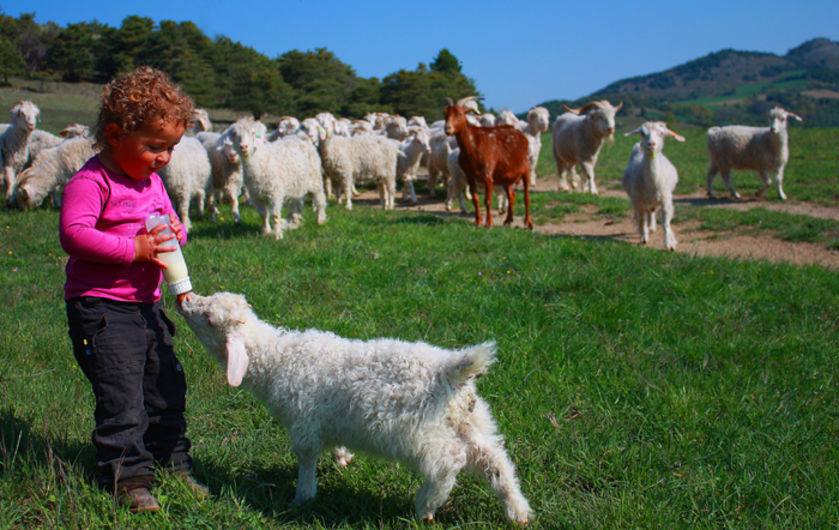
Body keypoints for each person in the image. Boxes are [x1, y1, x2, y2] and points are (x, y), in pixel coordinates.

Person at [59, 66, 207, 513]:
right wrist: (134, 249)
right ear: (115, 135)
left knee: (165, 386)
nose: (164, 158)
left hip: (147, 306)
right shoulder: (91, 182)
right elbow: (74, 235)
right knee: (122, 394)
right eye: (154, 146)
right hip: (102, 309)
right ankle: (128, 478)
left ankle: (174, 461)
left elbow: (171, 227)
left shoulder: (152, 182)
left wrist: (176, 233)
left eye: (171, 148)